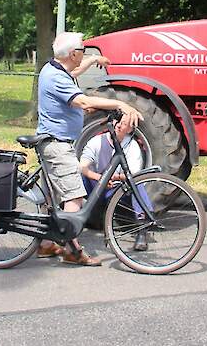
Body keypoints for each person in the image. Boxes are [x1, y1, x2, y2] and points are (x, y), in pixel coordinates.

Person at [35, 31, 143, 266]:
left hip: (55, 142)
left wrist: (94, 60)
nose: (83, 53)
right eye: (83, 50)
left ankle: (45, 245)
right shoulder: (56, 77)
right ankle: (72, 252)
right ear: (73, 53)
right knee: (74, 198)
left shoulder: (54, 69)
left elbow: (75, 72)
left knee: (52, 199)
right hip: (56, 145)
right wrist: (119, 103)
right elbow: (82, 101)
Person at [79, 118, 153, 251]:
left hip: (117, 188)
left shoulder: (132, 146)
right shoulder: (96, 141)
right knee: (76, 178)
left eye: (124, 123)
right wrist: (100, 178)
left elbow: (134, 175)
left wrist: (114, 177)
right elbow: (82, 167)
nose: (119, 125)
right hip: (95, 185)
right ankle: (67, 219)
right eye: (117, 121)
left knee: (137, 184)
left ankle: (142, 230)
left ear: (130, 129)